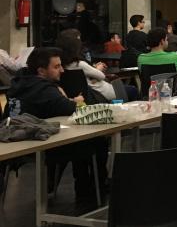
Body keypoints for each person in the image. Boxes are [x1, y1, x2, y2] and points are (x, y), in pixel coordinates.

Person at [5, 48, 107, 205]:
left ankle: (72, 188)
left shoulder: (20, 83)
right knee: (95, 140)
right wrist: (77, 101)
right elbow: (73, 109)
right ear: (41, 71)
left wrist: (65, 98)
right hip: (40, 145)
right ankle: (91, 192)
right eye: (56, 66)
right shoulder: (43, 89)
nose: (62, 70)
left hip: (18, 140)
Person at [56, 31, 114, 101]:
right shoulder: (79, 64)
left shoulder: (61, 65)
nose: (81, 43)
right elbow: (102, 76)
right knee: (130, 90)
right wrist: (98, 68)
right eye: (78, 40)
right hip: (101, 96)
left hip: (87, 97)